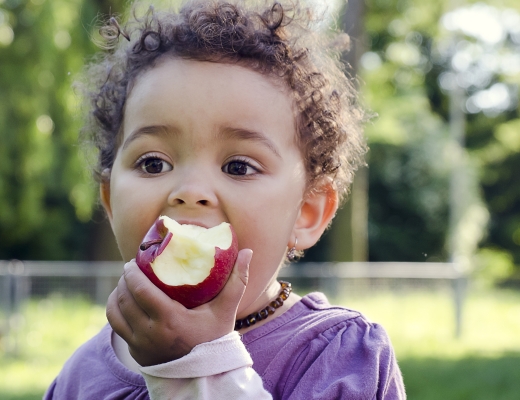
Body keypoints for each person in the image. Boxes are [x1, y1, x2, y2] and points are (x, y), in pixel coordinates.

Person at [46, 0, 405, 398]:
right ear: (111, 201)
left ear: (306, 213)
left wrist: (195, 367)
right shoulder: (81, 376)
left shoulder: (337, 356)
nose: (190, 192)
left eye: (238, 167)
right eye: (152, 163)